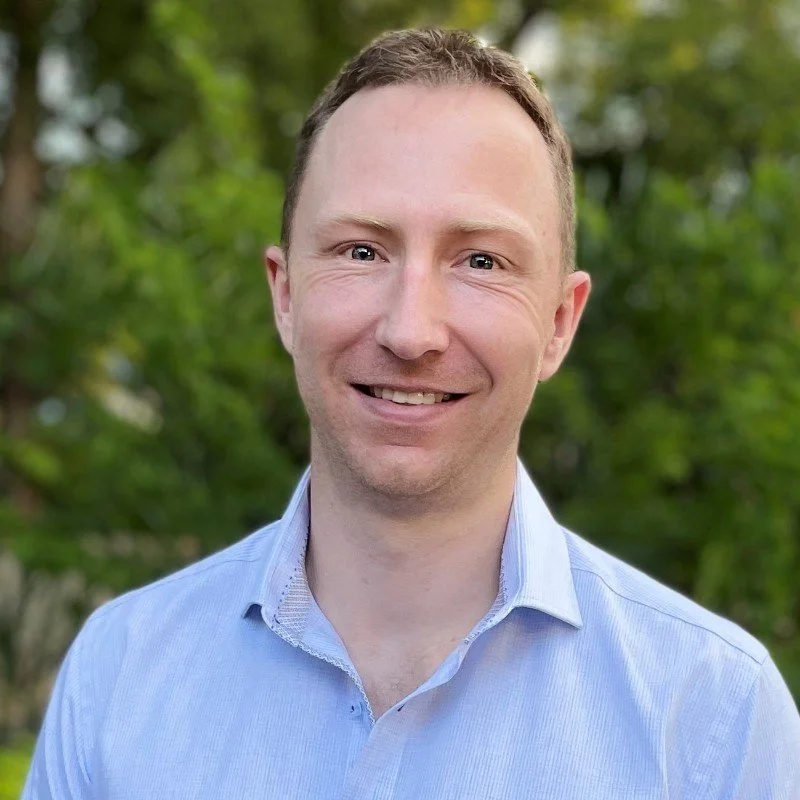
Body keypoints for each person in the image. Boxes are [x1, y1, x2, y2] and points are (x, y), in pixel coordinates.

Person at [24, 27, 799, 800]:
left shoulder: (711, 716)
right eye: (362, 251)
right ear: (285, 294)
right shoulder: (118, 675)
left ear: (561, 321)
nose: (410, 331)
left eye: (481, 261)